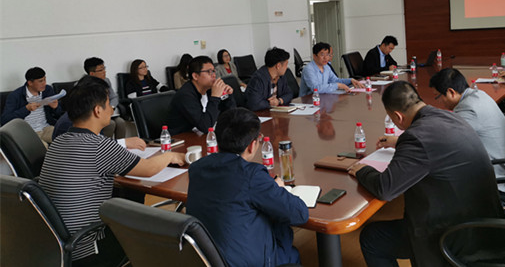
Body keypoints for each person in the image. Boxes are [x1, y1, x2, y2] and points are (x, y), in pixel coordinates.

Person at [348, 81, 504, 266]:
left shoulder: (416, 137)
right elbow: (433, 145)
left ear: (398, 117)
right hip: (486, 224)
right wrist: (399, 142)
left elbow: (385, 188)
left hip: (456, 235)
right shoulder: (448, 116)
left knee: (373, 238)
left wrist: (363, 170)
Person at [39, 76, 185, 266]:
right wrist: (171, 156)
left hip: (56, 244)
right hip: (88, 246)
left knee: (131, 199)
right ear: (97, 110)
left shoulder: (59, 141)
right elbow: (149, 169)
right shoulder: (98, 146)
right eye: (108, 104)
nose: (112, 109)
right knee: (159, 236)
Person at [187, 107, 308, 267]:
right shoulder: (251, 175)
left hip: (206, 258)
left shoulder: (196, 168)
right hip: (250, 261)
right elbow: (300, 214)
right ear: (252, 146)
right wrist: (278, 189)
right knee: (290, 252)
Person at [429, 68, 505, 198]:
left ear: (451, 92)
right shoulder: (478, 95)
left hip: (499, 178)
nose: (438, 102)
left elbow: (446, 142)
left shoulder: (468, 108)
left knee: (436, 172)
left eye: (438, 97)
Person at [165, 55, 235, 135]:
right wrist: (215, 97)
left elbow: (230, 115)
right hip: (181, 138)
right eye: (209, 72)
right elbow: (205, 126)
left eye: (213, 71)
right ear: (195, 76)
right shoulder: (185, 95)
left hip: (200, 135)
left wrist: (228, 96)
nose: (214, 75)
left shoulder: (209, 90)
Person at [1, 67, 62, 144]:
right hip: (28, 132)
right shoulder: (15, 96)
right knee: (43, 147)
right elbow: (5, 120)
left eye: (45, 79)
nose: (44, 83)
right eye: (40, 81)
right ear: (30, 83)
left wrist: (55, 108)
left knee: (64, 140)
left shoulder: (47, 90)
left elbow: (59, 113)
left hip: (46, 127)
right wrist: (26, 109)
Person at [299, 42, 364, 96]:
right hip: (308, 101)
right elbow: (316, 88)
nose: (325, 58)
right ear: (314, 56)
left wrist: (351, 80)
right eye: (322, 55)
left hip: (323, 98)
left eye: (327, 55)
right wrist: (337, 86)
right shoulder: (308, 69)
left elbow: (335, 80)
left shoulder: (326, 67)